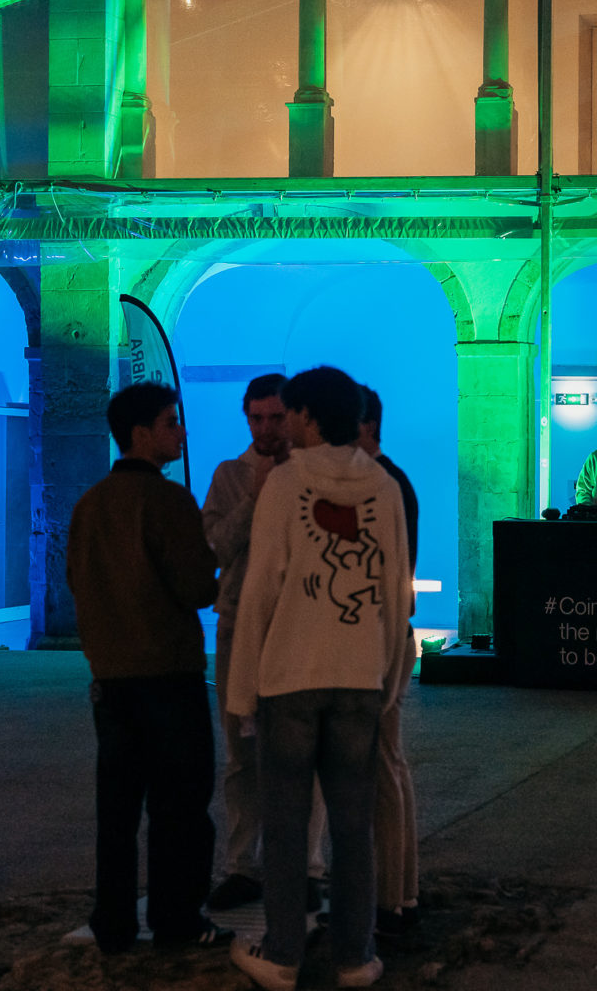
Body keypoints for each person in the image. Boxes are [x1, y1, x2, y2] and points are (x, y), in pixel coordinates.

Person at [227, 367, 413, 991]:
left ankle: (283, 954)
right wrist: (389, 679)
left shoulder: (286, 482)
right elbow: (395, 590)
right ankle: (355, 956)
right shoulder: (383, 486)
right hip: (359, 676)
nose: (285, 424)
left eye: (290, 413)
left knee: (285, 824)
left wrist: (241, 689)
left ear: (308, 416)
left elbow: (262, 588)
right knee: (353, 824)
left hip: (290, 677)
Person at [66, 381, 229, 954]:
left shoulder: (90, 503)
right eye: (169, 422)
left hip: (111, 679)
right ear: (140, 434)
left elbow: (76, 582)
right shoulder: (167, 500)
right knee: (179, 806)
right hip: (168, 674)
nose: (180, 432)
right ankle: (176, 919)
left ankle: (113, 922)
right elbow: (196, 586)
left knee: (117, 810)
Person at [202, 374, 330, 913]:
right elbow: (215, 547)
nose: (266, 429)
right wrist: (254, 499)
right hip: (239, 626)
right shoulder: (230, 476)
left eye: (276, 418)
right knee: (241, 754)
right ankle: (242, 865)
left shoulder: (312, 475)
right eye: (257, 419)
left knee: (305, 750)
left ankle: (307, 867)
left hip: (299, 623)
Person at [358, 386, 421, 938]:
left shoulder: (381, 483)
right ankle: (401, 890)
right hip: (393, 630)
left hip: (383, 634)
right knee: (390, 763)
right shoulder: (394, 479)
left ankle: (391, 896)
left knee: (383, 764)